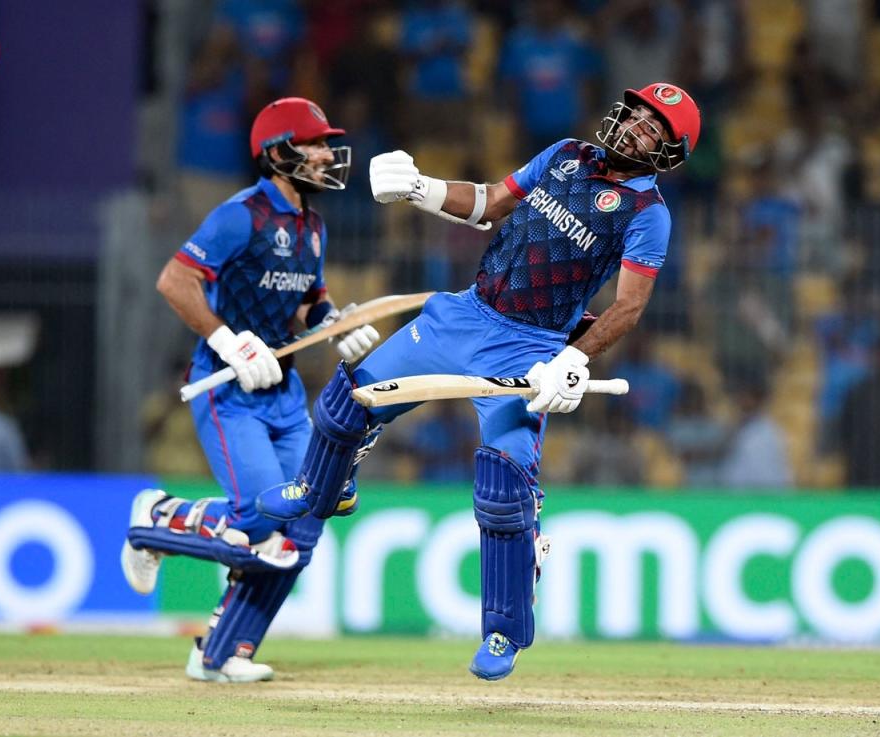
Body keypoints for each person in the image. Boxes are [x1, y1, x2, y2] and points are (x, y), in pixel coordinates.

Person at [257, 82, 701, 679]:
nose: (636, 126)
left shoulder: (649, 214)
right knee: (347, 400)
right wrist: (422, 189)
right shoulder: (566, 153)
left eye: (654, 128)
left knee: (503, 491)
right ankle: (320, 488)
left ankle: (503, 633)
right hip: (465, 313)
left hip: (531, 346)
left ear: (669, 152)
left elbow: (628, 307)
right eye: (638, 113)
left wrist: (574, 360)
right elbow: (493, 202)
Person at [120, 96, 380, 683]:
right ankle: (157, 517)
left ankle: (220, 653)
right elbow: (174, 280)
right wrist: (228, 340)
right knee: (260, 520)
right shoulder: (240, 215)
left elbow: (310, 300)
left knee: (306, 518)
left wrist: (336, 326)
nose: (324, 154)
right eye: (313, 144)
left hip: (284, 395)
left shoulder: (313, 227)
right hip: (229, 389)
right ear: (278, 152)